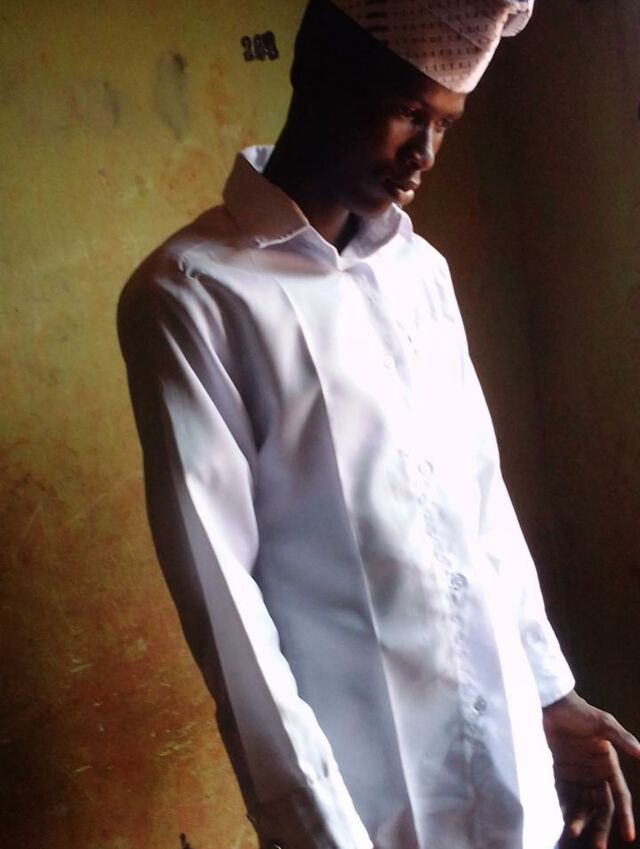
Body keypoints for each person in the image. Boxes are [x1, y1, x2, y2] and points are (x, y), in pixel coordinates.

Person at [117, 1, 640, 847]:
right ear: (316, 70)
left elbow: (481, 502)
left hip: (511, 775)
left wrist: (549, 691)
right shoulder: (194, 298)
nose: (424, 154)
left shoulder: (419, 271)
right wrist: (319, 830)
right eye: (406, 111)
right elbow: (229, 611)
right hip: (371, 809)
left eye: (445, 124)